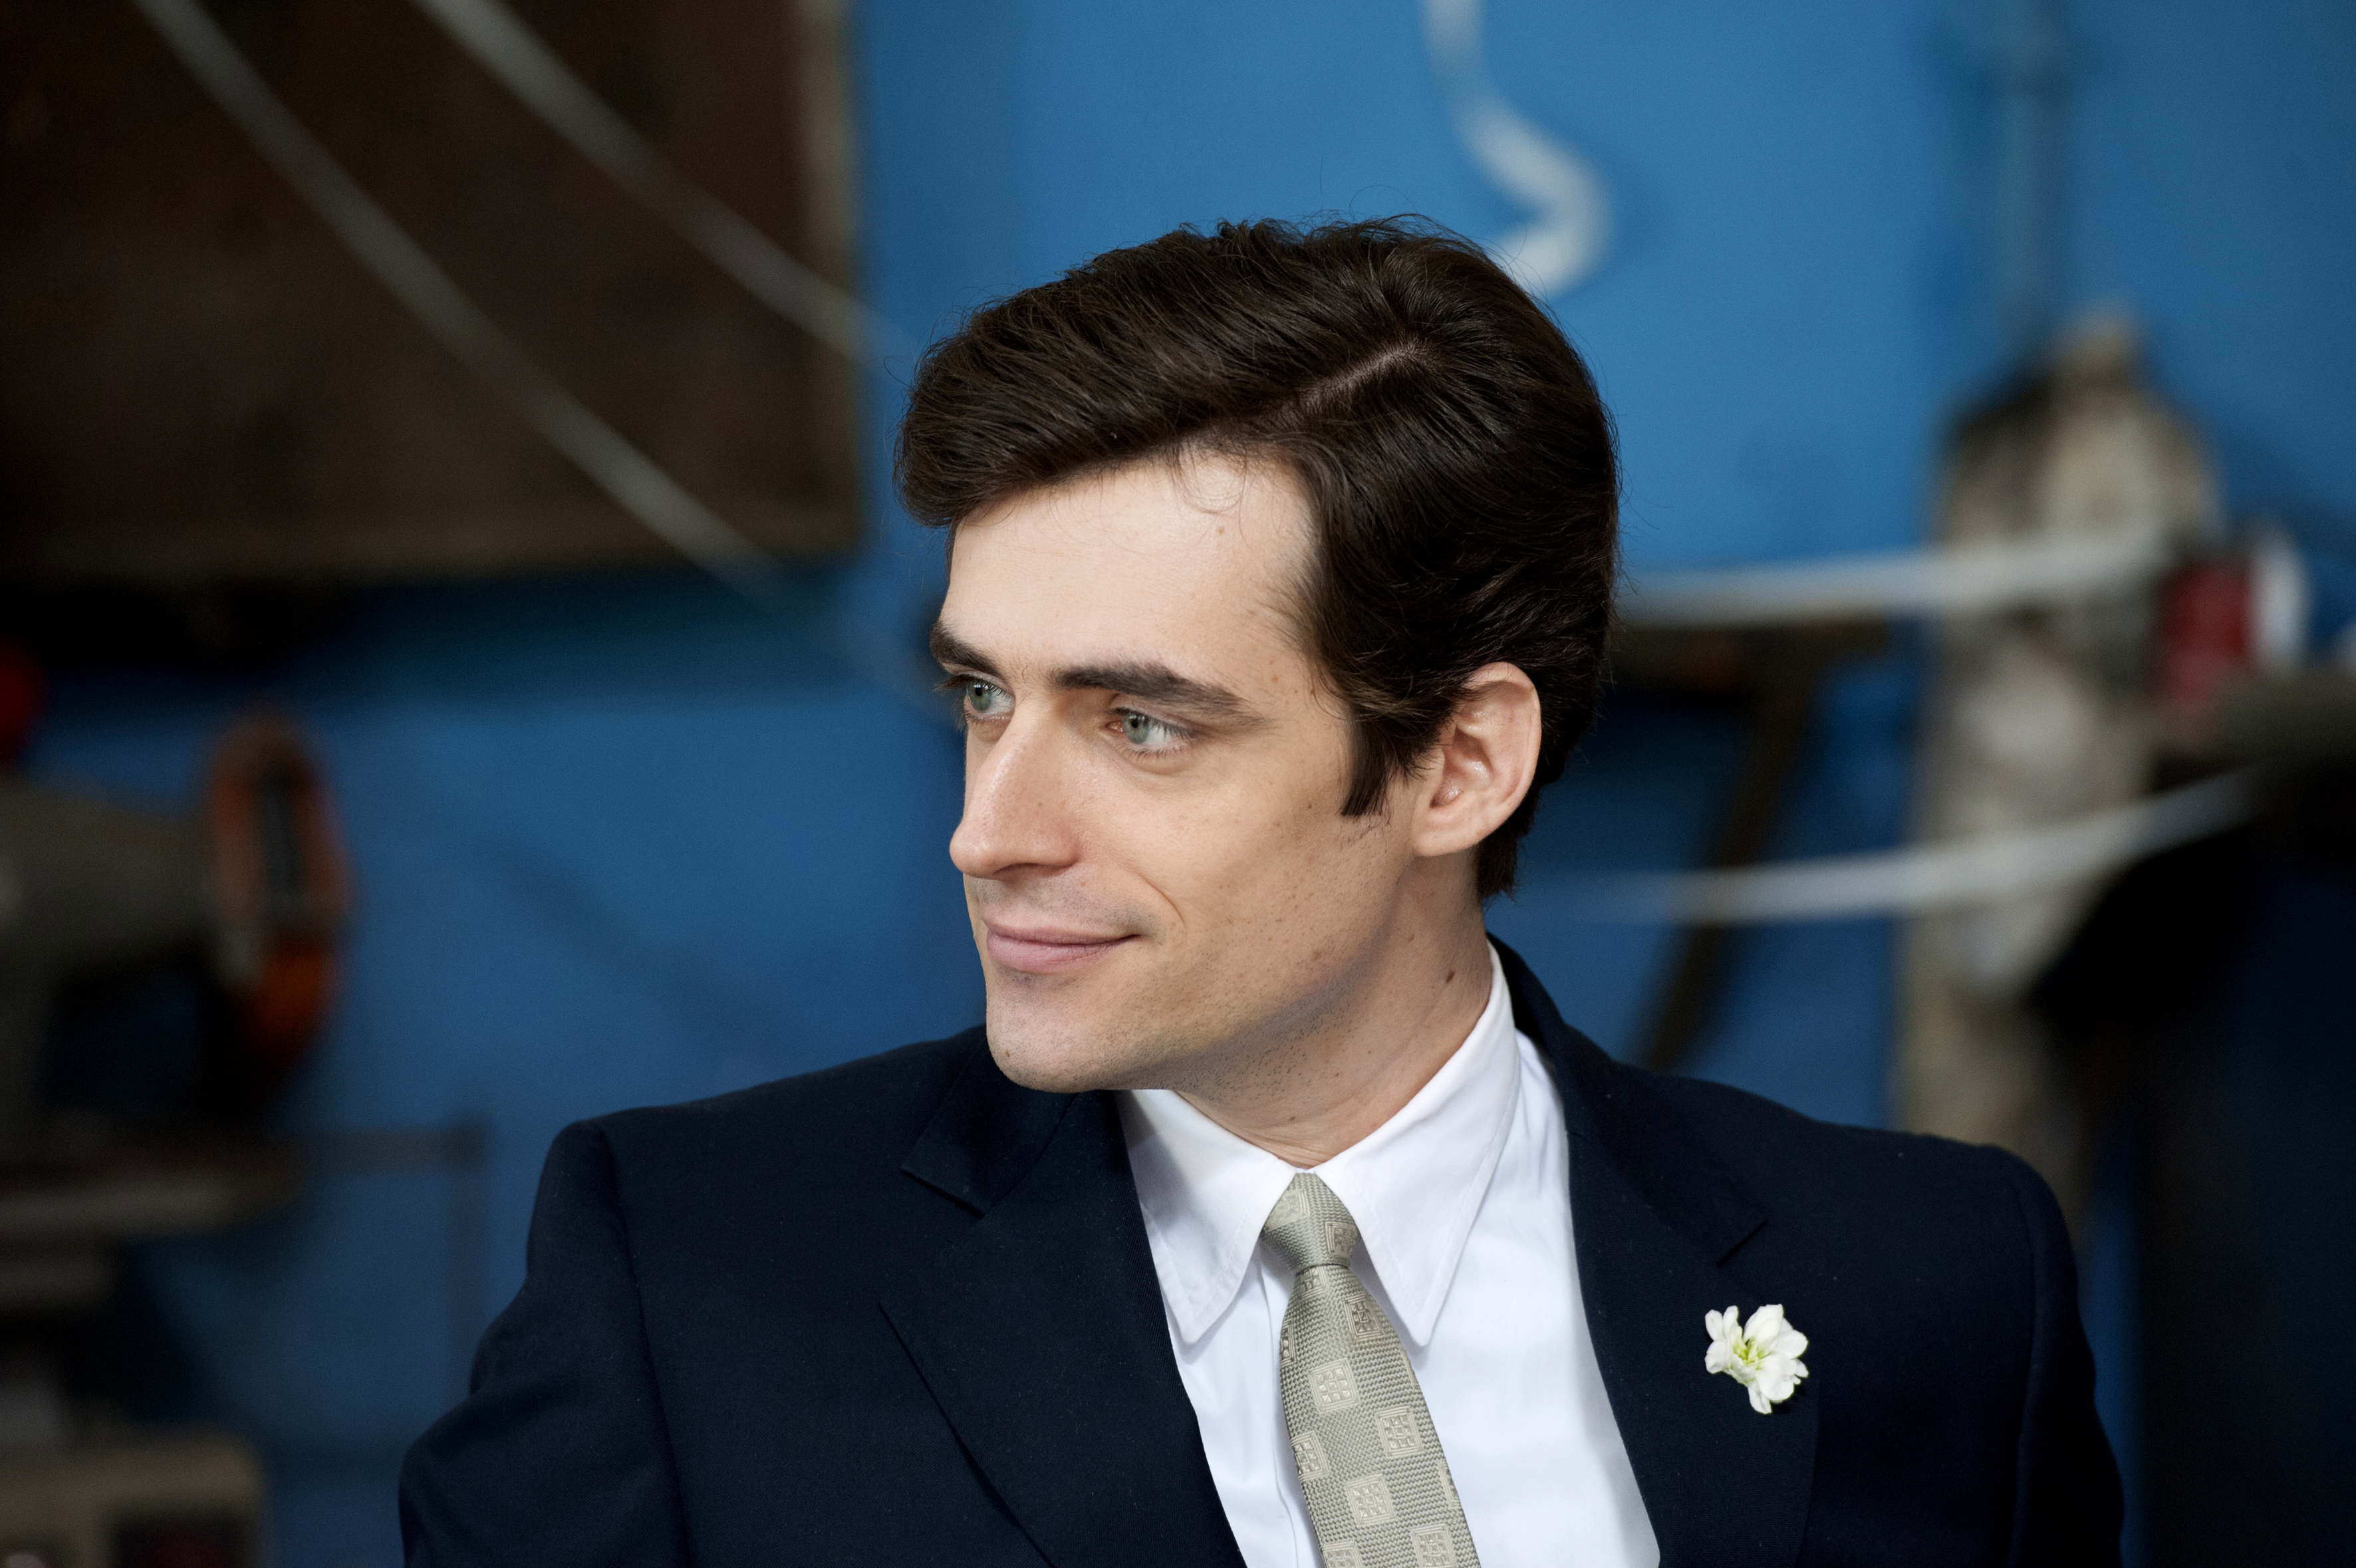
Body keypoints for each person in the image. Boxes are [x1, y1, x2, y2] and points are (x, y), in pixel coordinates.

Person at [400, 217, 2120, 1567]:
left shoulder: (1933, 1284)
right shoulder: (688, 1291)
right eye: (983, 696)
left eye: (1140, 724)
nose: (990, 832)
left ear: (1459, 764)